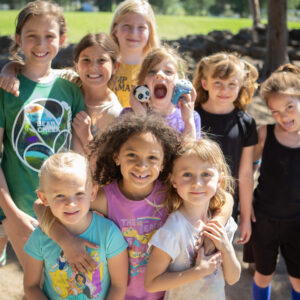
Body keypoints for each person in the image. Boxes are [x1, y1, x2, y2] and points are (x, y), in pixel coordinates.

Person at [34, 113, 233, 300]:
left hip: (164, 294)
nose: (142, 165)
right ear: (116, 157)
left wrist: (214, 226)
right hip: (117, 294)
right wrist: (65, 240)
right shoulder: (104, 197)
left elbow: (225, 200)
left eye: (152, 158)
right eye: (131, 155)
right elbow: (40, 206)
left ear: (164, 163)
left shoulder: (170, 192)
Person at [0, 0, 85, 269]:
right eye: (32, 36)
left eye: (49, 36)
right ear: (18, 39)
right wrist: (11, 213)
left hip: (62, 211)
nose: (41, 44)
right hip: (16, 210)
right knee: (33, 285)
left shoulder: (71, 89)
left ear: (61, 39)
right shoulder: (6, 90)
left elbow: (79, 154)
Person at [23, 152, 128, 299]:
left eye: (79, 193)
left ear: (92, 193)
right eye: (59, 195)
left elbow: (118, 286)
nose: (70, 203)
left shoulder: (109, 233)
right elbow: (30, 286)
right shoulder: (39, 237)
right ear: (44, 198)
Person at [145, 138, 241, 299]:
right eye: (187, 174)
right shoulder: (173, 230)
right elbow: (151, 283)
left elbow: (232, 278)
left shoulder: (222, 224)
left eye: (206, 174)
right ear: (173, 180)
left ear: (219, 180)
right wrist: (198, 272)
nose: (197, 183)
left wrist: (226, 248)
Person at [243, 64, 300, 300]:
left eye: (289, 107)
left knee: (298, 280)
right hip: (264, 218)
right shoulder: (264, 133)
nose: (283, 116)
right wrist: (245, 215)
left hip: (297, 222)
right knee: (263, 274)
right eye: (275, 111)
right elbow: (246, 171)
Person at [193, 52, 258, 244]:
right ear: (205, 83)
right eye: (218, 83)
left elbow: (245, 173)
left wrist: (245, 218)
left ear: (240, 86)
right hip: (192, 199)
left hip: (226, 205)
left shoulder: (246, 123)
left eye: (232, 84)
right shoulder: (191, 116)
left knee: (217, 264)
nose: (225, 90)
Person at [124, 46, 201, 140]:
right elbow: (145, 152)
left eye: (168, 71)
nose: (159, 74)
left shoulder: (191, 117)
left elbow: (190, 154)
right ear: (142, 82)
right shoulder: (128, 116)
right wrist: (141, 118)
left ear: (180, 82)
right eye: (152, 72)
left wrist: (188, 121)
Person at [70, 33, 122, 148]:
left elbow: (104, 163)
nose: (93, 67)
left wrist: (86, 136)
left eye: (101, 60)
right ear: (76, 66)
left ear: (115, 67)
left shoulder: (114, 113)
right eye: (86, 60)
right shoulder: (67, 90)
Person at [109, 0, 160, 107]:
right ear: (115, 29)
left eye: (141, 27)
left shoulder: (157, 71)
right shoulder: (105, 66)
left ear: (150, 32)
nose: (133, 33)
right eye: (127, 26)